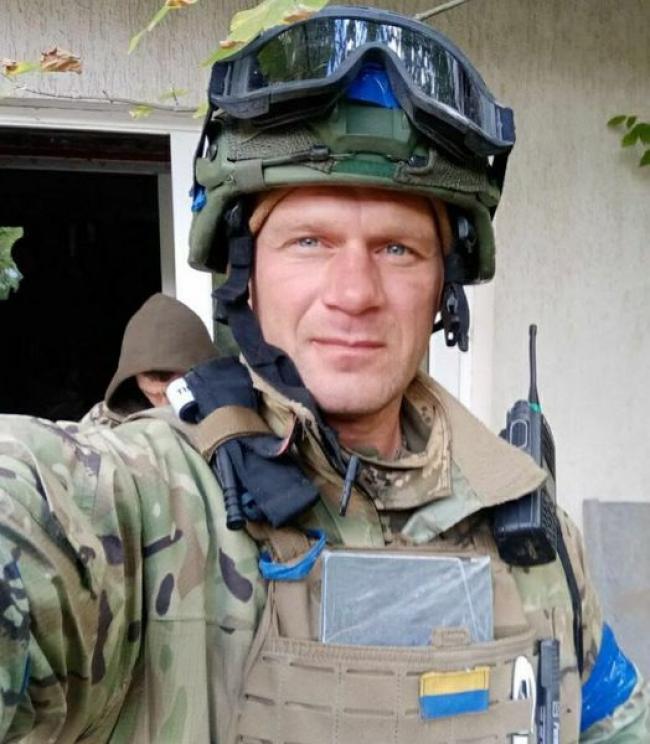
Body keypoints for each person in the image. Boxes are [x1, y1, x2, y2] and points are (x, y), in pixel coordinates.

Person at [0, 6, 647, 743]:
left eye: (398, 248)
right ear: (246, 277)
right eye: (309, 241)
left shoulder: (532, 530)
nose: (354, 292)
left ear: (442, 289)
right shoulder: (141, 502)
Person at [81, 292, 217, 427]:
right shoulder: (103, 421)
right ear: (134, 380)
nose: (164, 405)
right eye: (153, 395)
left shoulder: (227, 410)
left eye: (177, 392)